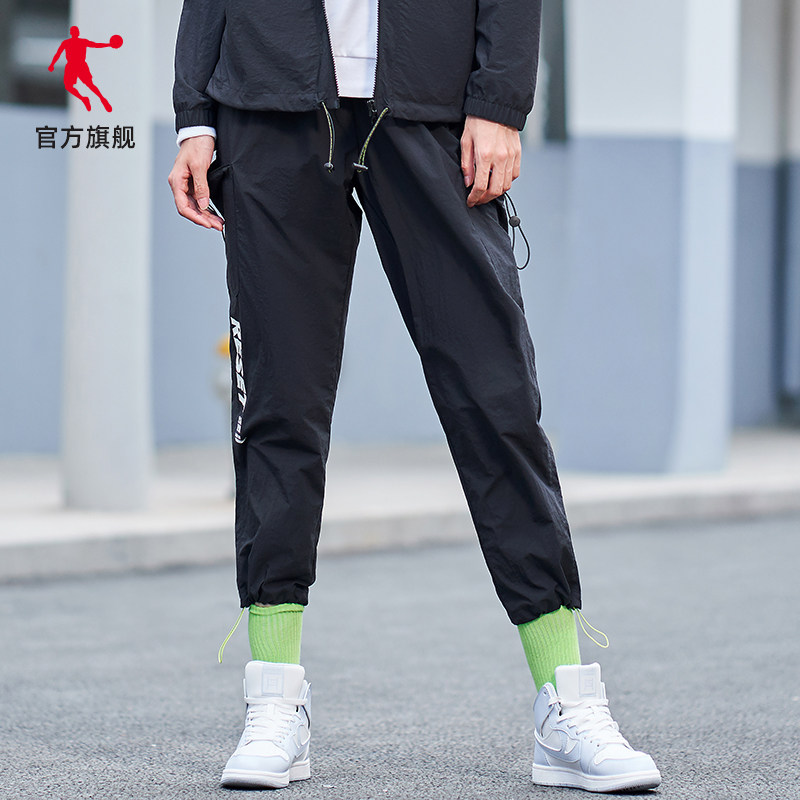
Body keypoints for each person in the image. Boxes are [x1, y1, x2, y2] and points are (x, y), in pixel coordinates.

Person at [168, 0, 661, 793]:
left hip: (432, 105)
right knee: (278, 406)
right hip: (270, 104)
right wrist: (194, 112)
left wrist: (500, 99)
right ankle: (274, 699)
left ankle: (566, 700)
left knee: (496, 401)